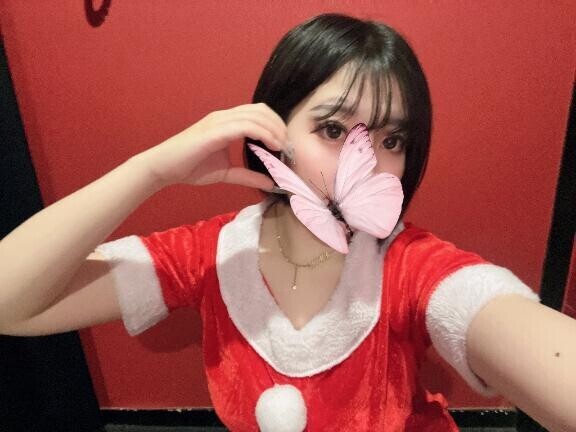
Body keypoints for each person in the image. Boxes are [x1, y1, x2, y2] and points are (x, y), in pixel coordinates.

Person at [0, 13, 575, 432]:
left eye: (393, 140)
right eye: (334, 130)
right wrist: (149, 171)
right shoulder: (210, 255)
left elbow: (509, 328)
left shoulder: (412, 267)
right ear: (274, 129)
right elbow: (10, 304)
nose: (369, 163)